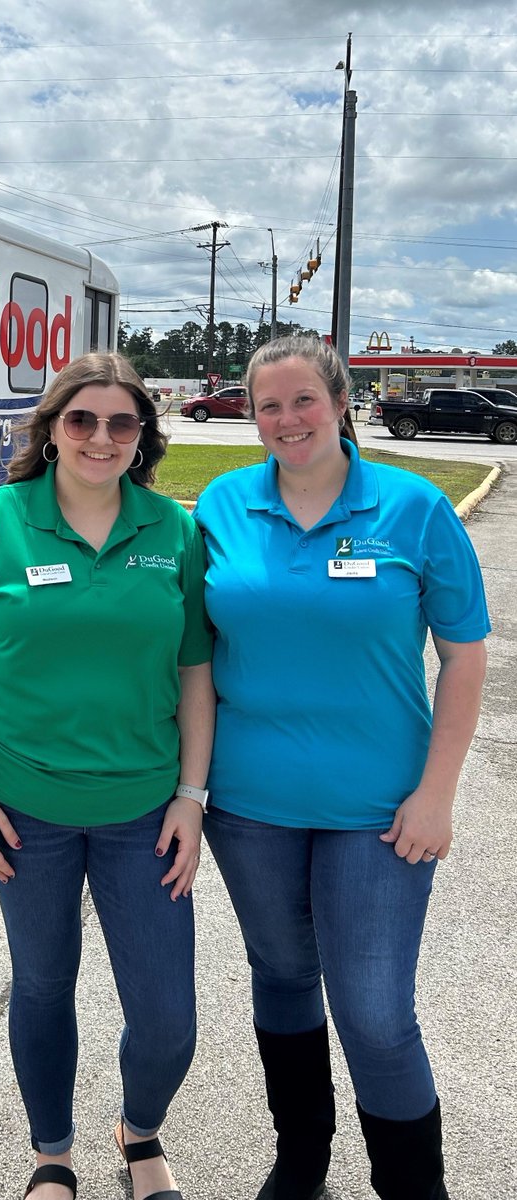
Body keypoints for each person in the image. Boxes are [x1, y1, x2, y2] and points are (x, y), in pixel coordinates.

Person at [0, 352, 214, 1200]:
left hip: (144, 811)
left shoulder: (173, 530)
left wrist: (193, 796)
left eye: (122, 422)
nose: (101, 437)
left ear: (143, 435)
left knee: (167, 1017)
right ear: (51, 430)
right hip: (24, 813)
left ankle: (139, 1130)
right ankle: (53, 1155)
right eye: (82, 420)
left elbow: (195, 670)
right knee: (43, 985)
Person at [193, 335, 489, 1200]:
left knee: (374, 1012)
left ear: (340, 401)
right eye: (267, 406)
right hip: (249, 806)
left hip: (381, 808)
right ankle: (302, 1161)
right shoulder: (221, 504)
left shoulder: (413, 507)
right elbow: (187, 651)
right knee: (282, 980)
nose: (286, 420)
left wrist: (438, 794)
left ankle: (411, 1188)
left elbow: (464, 656)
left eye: (303, 401)